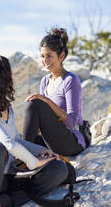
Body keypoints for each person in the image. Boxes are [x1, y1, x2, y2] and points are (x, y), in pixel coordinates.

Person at [0, 55, 68, 207]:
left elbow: (16, 139)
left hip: (6, 178)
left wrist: (42, 151)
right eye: (9, 72)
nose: (12, 76)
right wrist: (35, 162)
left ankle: (1, 203)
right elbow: (8, 144)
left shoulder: (6, 107)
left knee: (59, 169)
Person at [23, 27, 86, 156]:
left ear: (61, 56)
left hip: (71, 141)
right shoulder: (44, 81)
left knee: (36, 103)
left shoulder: (70, 80)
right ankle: (23, 154)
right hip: (51, 139)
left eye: (49, 56)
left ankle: (23, 157)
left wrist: (46, 100)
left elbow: (71, 123)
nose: (45, 61)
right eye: (42, 56)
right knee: (17, 140)